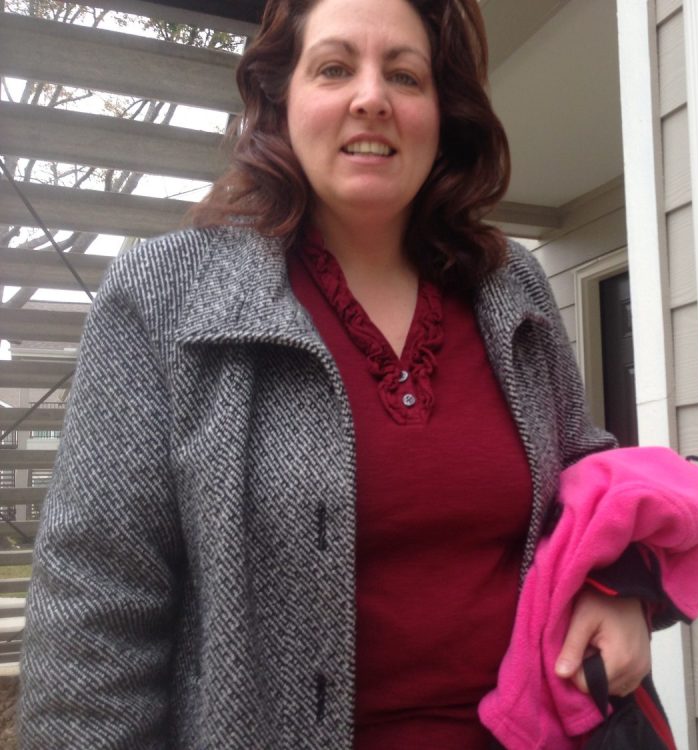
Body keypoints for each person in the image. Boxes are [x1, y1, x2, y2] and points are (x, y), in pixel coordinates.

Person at [18, 0, 657, 747]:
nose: (371, 97)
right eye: (333, 67)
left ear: (441, 111)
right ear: (280, 97)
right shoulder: (162, 298)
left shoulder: (510, 285)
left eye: (405, 75)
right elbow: (94, 621)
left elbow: (588, 478)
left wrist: (624, 590)